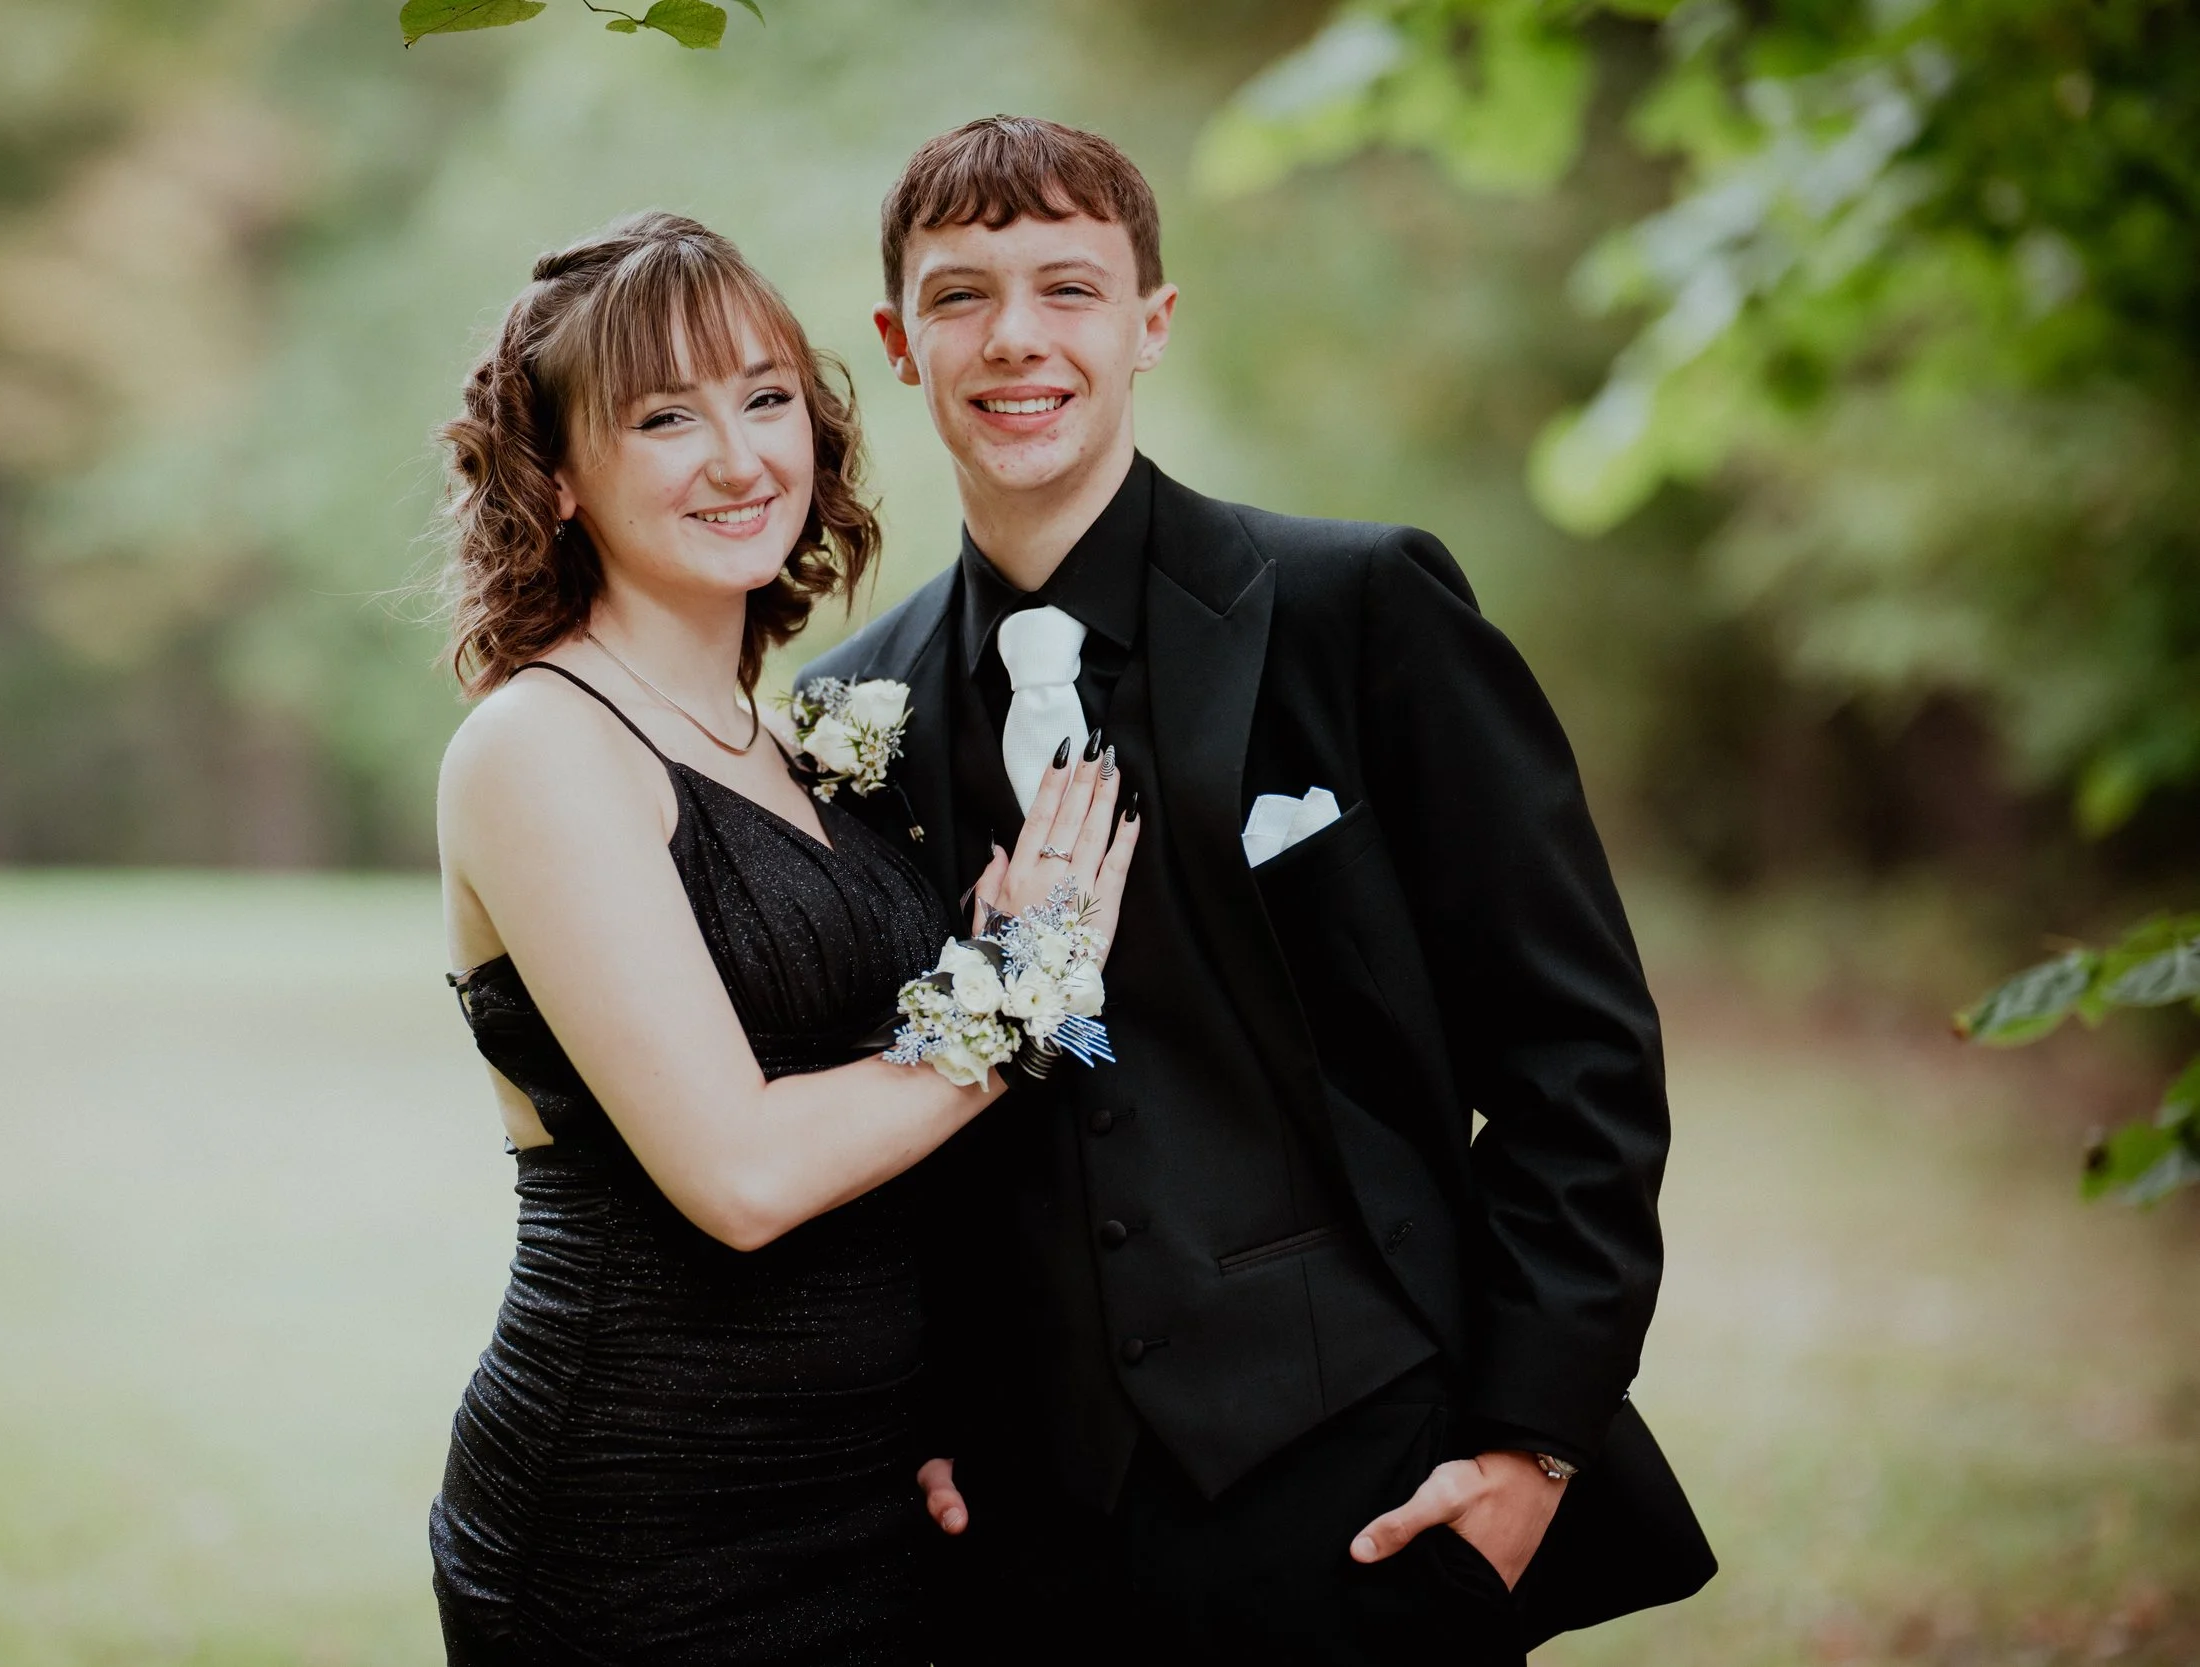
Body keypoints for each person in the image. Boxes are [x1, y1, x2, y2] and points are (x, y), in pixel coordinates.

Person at [800, 117, 1717, 1665]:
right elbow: (866, 1121)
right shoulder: (848, 713)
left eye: (1068, 288)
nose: (1015, 337)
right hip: (1017, 1538)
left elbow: (1581, 1057)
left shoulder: (1360, 610)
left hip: (1364, 1481)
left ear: (1151, 324)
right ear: (898, 342)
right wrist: (918, 1413)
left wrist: (1527, 1452)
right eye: (960, 296)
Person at [424, 211, 1140, 1666]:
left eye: (763, 398)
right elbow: (740, 1173)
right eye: (666, 418)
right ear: (556, 479)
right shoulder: (539, 744)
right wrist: (1023, 987)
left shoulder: (793, 740)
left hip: (870, 1499)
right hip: (647, 1516)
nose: (742, 456)